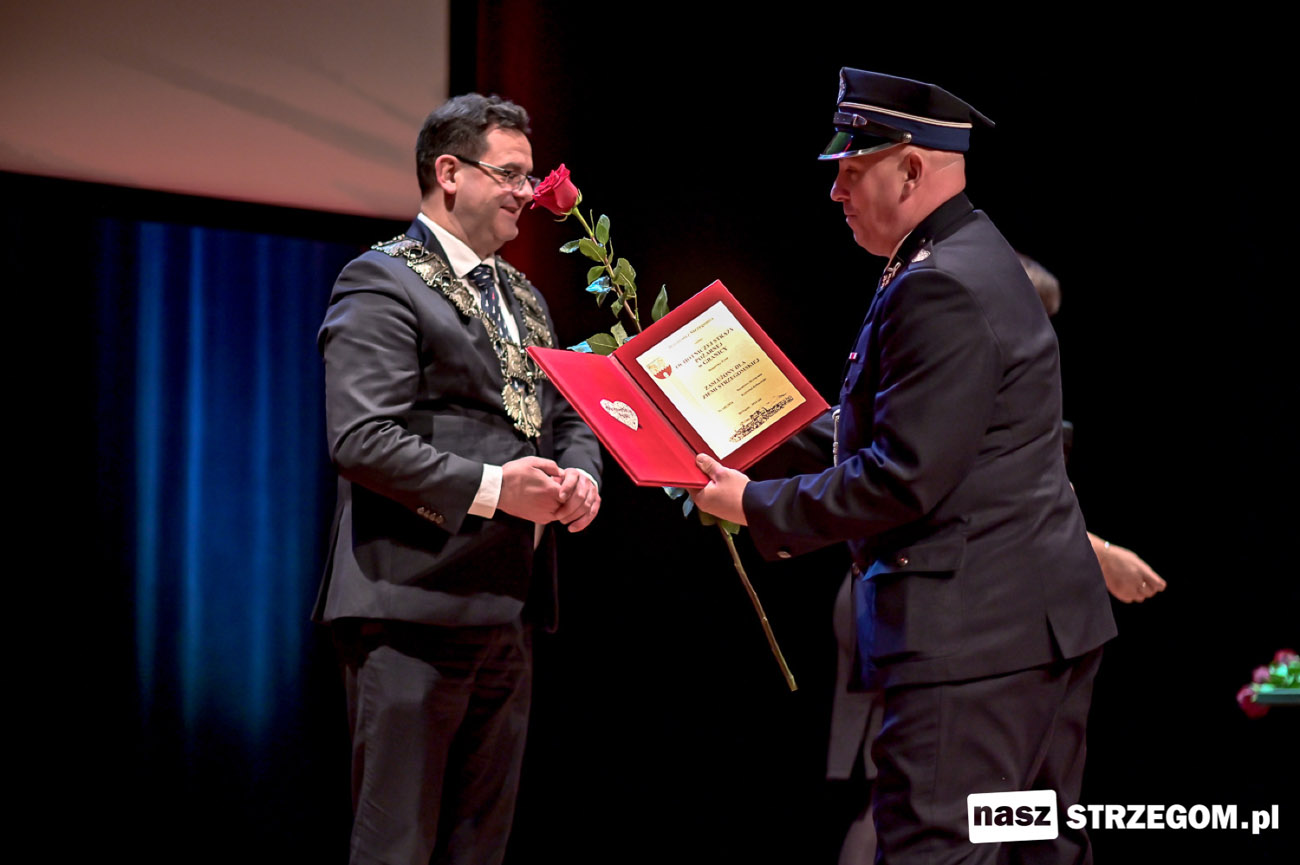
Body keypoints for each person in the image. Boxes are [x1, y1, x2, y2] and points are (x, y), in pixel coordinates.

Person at [692, 69, 1117, 863]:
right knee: (1033, 844)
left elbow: (904, 475)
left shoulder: (940, 283)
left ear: (912, 169)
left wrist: (754, 503)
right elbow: (936, 432)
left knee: (938, 849)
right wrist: (764, 420)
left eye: (851, 172)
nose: (835, 192)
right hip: (1031, 636)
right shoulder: (972, 252)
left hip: (975, 649)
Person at [315, 93, 602, 865]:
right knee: (396, 848)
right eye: (510, 174)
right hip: (412, 606)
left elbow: (569, 413)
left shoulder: (524, 296)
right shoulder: (381, 279)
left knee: (481, 849)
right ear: (449, 173)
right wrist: (498, 488)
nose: (527, 193)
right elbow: (361, 438)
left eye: (531, 176)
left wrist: (582, 476)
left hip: (507, 610)